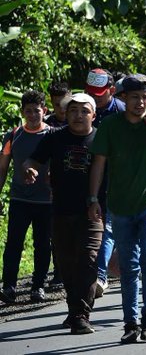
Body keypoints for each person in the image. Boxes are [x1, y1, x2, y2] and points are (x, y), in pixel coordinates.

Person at [88, 74, 146, 343]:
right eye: (135, 97)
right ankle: (131, 322)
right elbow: (99, 164)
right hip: (121, 206)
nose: (141, 102)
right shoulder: (110, 126)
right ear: (122, 98)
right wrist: (93, 198)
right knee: (129, 265)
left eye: (145, 97)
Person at [24, 93, 103, 334]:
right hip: (60, 210)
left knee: (88, 260)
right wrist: (30, 170)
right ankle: (74, 309)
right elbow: (33, 160)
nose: (78, 116)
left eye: (84, 111)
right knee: (66, 263)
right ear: (65, 114)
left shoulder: (101, 139)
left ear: (93, 115)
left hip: (93, 212)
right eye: (73, 111)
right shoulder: (55, 137)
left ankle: (81, 314)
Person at [0, 91, 52, 304]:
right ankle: (9, 287)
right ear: (22, 112)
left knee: (42, 244)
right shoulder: (13, 136)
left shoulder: (53, 134)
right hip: (19, 198)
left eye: (36, 111)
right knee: (13, 243)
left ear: (44, 111)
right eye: (28, 111)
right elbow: (3, 167)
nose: (32, 115)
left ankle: (38, 286)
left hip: (46, 200)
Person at [85, 68, 126, 297]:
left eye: (99, 93)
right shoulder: (82, 109)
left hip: (118, 178)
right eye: (91, 92)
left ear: (111, 90)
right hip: (91, 178)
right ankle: (98, 273)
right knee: (98, 226)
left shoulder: (122, 112)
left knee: (110, 227)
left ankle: (102, 275)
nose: (95, 97)